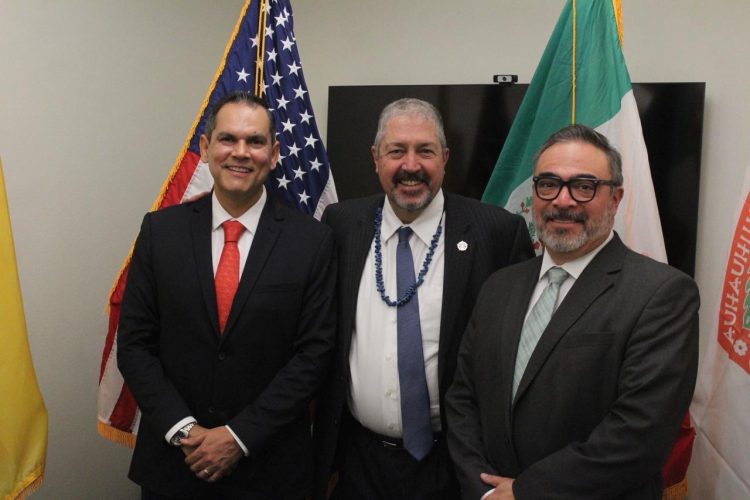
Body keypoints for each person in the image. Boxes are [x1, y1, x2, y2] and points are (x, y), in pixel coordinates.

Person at [445, 124, 699, 500]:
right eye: (548, 184)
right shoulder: (499, 286)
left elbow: (639, 435)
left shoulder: (662, 295)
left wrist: (524, 493)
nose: (563, 201)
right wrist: (482, 488)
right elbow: (462, 399)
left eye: (584, 186)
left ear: (615, 198)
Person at [117, 91, 336, 499]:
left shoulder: (313, 242)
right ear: (205, 148)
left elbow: (314, 355)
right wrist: (186, 431)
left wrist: (238, 437)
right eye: (228, 139)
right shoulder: (160, 232)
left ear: (274, 153)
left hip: (269, 470)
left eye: (255, 141)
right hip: (175, 465)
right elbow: (134, 344)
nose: (241, 152)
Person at [314, 98, 534, 500]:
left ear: (445, 159)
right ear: (376, 158)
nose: (411, 165)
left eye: (425, 151)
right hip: (358, 461)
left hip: (455, 464)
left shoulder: (497, 233)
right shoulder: (341, 224)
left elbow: (520, 353)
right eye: (397, 150)